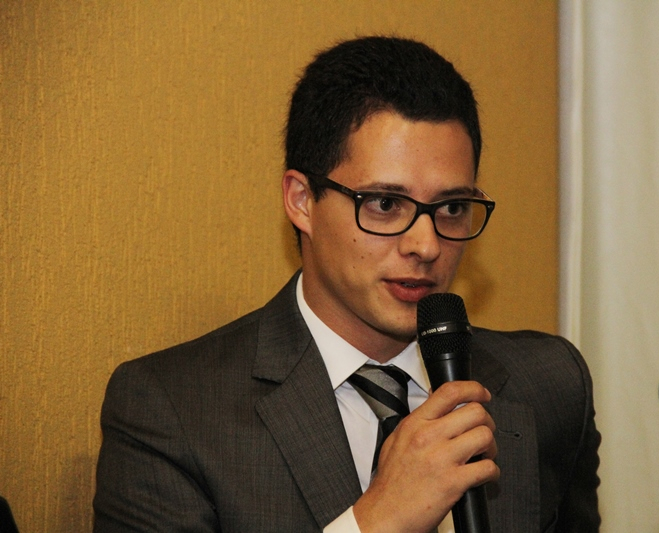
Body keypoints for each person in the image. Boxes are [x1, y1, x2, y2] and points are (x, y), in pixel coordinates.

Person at [93, 36, 600, 533]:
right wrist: (377, 521)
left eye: (451, 207)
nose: (426, 245)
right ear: (302, 200)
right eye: (385, 204)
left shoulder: (550, 385)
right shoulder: (172, 410)